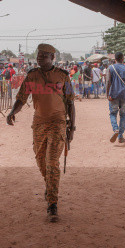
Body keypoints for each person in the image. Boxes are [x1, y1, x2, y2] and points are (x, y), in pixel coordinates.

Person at [7, 43, 75, 222]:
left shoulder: (63, 76)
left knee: (52, 162)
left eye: (44, 55)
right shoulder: (32, 76)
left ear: (52, 58)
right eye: (38, 55)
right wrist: (12, 112)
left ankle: (52, 204)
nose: (39, 57)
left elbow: (70, 103)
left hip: (58, 123)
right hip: (38, 124)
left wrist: (72, 127)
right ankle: (50, 184)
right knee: (40, 160)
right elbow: (21, 99)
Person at [106, 52, 125, 143]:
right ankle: (120, 136)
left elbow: (108, 82)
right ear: (123, 58)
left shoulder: (110, 68)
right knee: (123, 115)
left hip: (113, 95)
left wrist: (107, 94)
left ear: (115, 59)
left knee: (113, 114)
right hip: (124, 95)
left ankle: (116, 129)